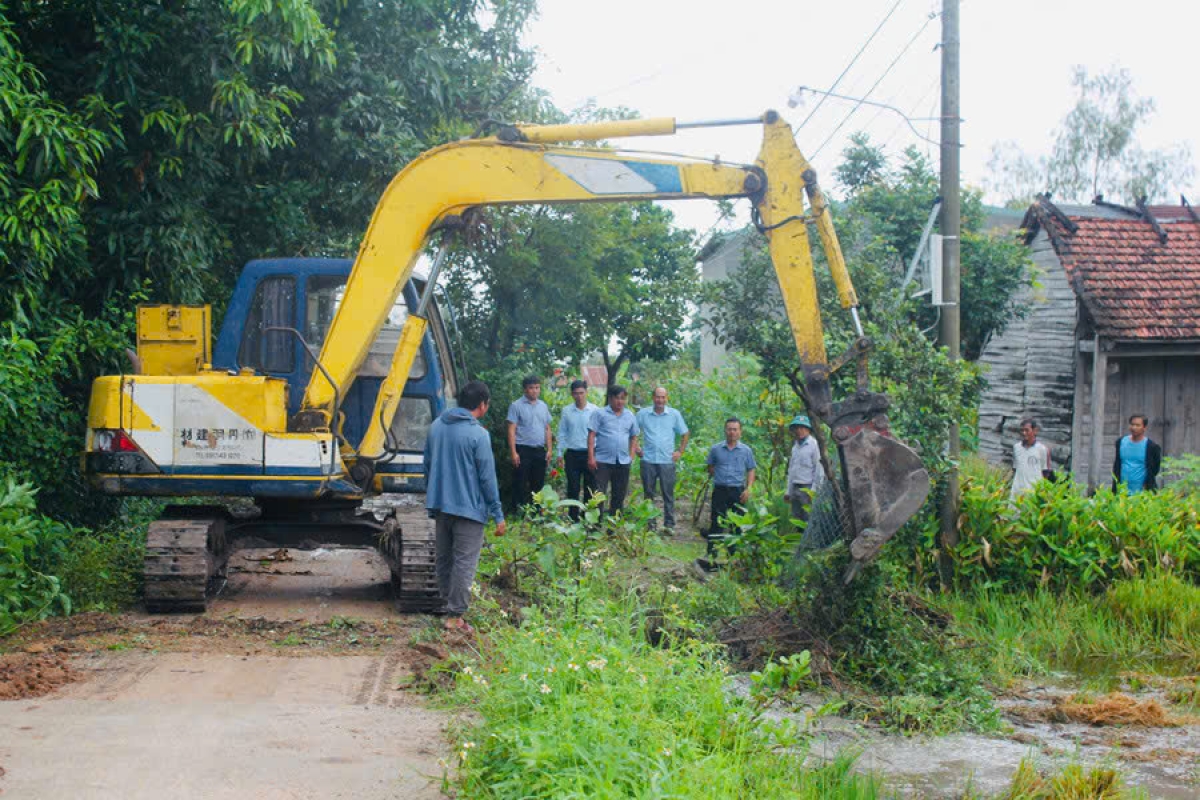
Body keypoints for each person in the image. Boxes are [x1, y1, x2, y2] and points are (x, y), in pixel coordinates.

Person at [424, 380, 506, 633]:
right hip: (469, 510)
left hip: (441, 505)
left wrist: (434, 495)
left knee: (444, 559)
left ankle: (449, 606)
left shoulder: (436, 427)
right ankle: (455, 616)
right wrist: (497, 514)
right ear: (482, 405)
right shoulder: (478, 435)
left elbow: (426, 465)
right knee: (464, 563)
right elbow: (487, 478)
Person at [701, 418, 757, 569]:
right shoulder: (716, 449)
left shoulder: (746, 450)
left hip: (737, 491)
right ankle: (711, 554)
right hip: (720, 489)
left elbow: (751, 469)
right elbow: (710, 467)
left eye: (735, 429)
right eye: (729, 429)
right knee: (716, 522)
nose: (732, 432)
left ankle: (733, 556)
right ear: (725, 430)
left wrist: (749, 488)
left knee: (736, 524)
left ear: (740, 432)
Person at [635, 387, 690, 531]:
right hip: (648, 460)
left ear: (667, 398)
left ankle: (669, 524)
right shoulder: (643, 414)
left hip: (667, 461)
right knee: (648, 494)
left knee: (668, 494)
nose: (660, 400)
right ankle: (650, 524)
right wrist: (636, 447)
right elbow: (633, 431)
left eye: (663, 397)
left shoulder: (674, 414)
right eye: (657, 397)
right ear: (653, 397)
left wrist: (680, 451)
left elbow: (685, 433)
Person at [587, 384, 640, 515]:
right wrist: (591, 457)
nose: (620, 401)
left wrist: (631, 457)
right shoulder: (599, 414)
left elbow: (634, 436)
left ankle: (613, 529)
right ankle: (595, 527)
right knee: (599, 494)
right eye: (617, 398)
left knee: (619, 495)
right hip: (602, 461)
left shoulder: (629, 415)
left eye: (623, 398)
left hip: (622, 462)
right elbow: (591, 435)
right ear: (610, 399)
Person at [506, 375, 552, 509]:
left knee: (538, 484)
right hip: (522, 450)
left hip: (539, 450)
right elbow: (511, 430)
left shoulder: (543, 406)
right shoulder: (516, 406)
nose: (535, 391)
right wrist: (513, 452)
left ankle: (536, 513)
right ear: (525, 389)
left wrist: (549, 450)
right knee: (520, 482)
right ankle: (518, 512)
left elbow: (547, 428)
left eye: (537, 388)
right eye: (531, 388)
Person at [556, 379, 599, 520]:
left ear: (586, 392)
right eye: (576, 393)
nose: (579, 396)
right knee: (573, 488)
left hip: (590, 454)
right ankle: (572, 518)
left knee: (590, 488)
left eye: (581, 393)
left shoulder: (595, 411)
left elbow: (600, 433)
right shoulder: (567, 411)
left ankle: (587, 518)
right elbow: (562, 433)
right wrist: (559, 454)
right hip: (572, 454)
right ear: (572, 394)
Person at [784, 415, 822, 526]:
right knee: (796, 517)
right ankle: (798, 542)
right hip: (795, 487)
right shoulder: (795, 447)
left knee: (808, 518)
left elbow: (818, 469)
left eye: (802, 428)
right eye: (797, 428)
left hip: (807, 487)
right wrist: (788, 491)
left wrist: (814, 490)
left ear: (808, 429)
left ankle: (809, 542)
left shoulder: (814, 445)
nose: (799, 431)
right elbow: (791, 470)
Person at [1113, 414, 1162, 494]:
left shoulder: (1151, 447)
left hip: (1142, 491)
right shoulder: (1121, 442)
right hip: (1122, 491)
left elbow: (1155, 469)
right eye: (1132, 424)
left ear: (1144, 428)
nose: (1134, 428)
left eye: (1137, 425)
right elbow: (1117, 464)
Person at [1010, 417, 1052, 500]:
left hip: (1033, 492)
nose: (1024, 433)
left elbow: (1045, 473)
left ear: (1035, 431)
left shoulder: (1042, 449)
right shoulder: (1016, 447)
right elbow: (1015, 469)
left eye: (1027, 430)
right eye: (1022, 430)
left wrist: (1042, 492)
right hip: (1018, 490)